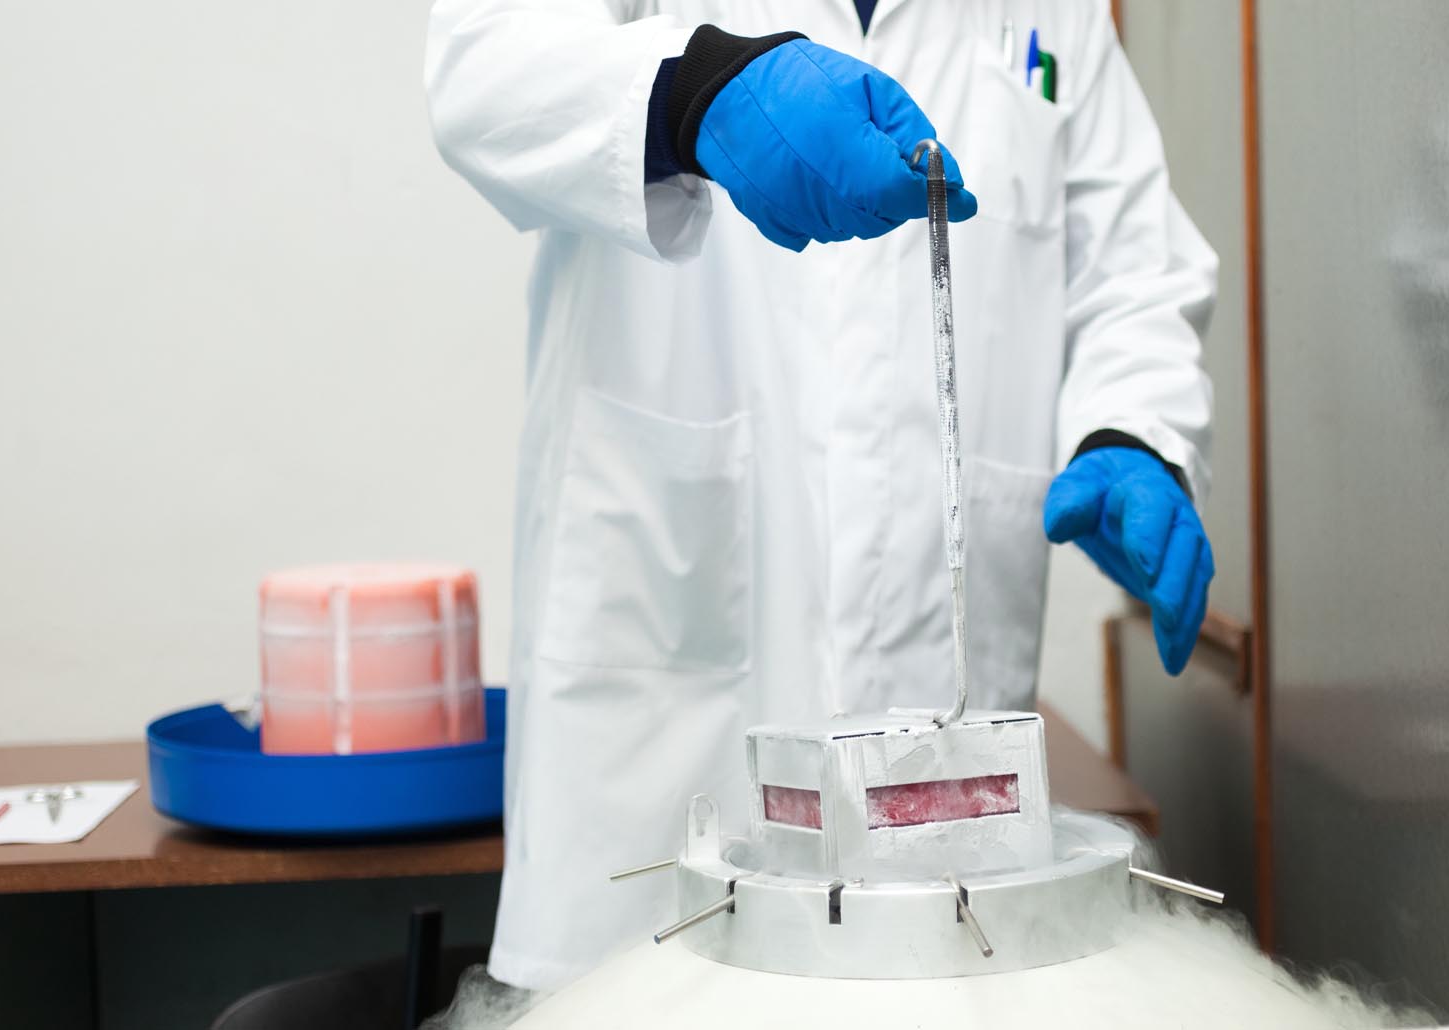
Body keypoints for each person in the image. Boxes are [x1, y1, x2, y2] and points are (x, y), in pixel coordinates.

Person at [424, 0, 1216, 993]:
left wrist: (1130, 432)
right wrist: (697, 92)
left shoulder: (1052, 17)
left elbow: (1132, 272)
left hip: (943, 833)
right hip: (657, 773)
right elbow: (479, 70)